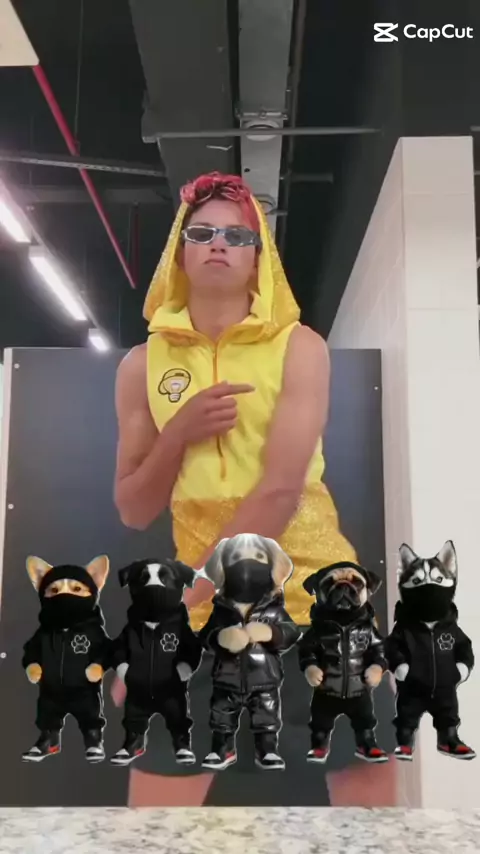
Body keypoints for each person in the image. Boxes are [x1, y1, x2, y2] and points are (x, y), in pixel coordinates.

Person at [113, 171, 396, 806]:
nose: (219, 243)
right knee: (151, 834)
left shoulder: (300, 347)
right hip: (204, 614)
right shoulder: (141, 366)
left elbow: (279, 492)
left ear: (259, 255)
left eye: (238, 235)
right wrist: (178, 432)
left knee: (371, 834)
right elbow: (133, 506)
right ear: (179, 249)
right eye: (202, 232)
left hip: (318, 609)